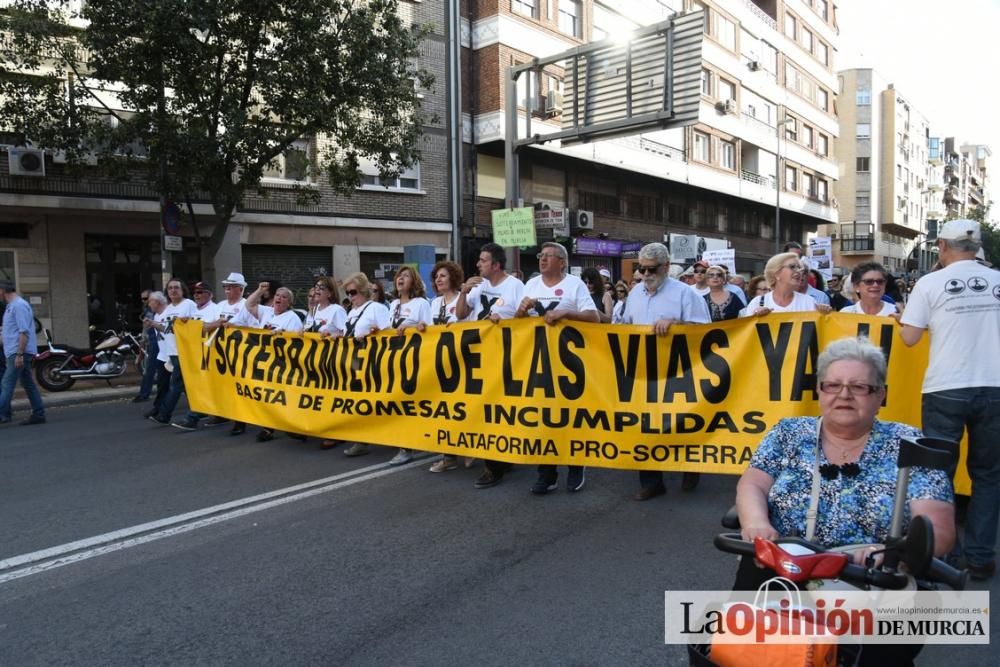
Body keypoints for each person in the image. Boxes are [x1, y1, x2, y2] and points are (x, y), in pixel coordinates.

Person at [734, 337, 954, 665]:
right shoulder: (788, 433)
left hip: (875, 582)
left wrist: (894, 552)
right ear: (820, 392)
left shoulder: (911, 444)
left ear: (881, 395)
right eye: (833, 385)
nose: (844, 394)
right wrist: (756, 524)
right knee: (744, 650)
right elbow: (752, 483)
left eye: (859, 386)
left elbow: (937, 527)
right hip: (786, 568)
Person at [898, 219, 1000, 580]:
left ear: (941, 246)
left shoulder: (929, 283)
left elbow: (910, 338)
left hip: (946, 387)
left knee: (938, 471)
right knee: (988, 474)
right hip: (995, 386)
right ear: (977, 247)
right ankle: (981, 556)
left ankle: (946, 553)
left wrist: (904, 319)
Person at [621, 243, 711, 499]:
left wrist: (676, 323)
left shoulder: (686, 294)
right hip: (644, 372)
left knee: (681, 422)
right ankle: (651, 481)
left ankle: (690, 465)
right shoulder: (635, 293)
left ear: (666, 267)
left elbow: (704, 332)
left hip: (678, 371)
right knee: (646, 425)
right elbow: (625, 326)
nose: (645, 275)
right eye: (641, 269)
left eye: (651, 269)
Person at [516, 242, 600, 494]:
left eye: (548, 256)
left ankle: (576, 466)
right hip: (538, 360)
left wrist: (565, 314)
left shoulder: (575, 285)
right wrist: (521, 311)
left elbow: (594, 317)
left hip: (570, 361)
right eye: (541, 256)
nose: (542, 260)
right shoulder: (531, 285)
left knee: (571, 416)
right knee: (542, 418)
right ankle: (547, 473)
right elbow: (518, 323)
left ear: (562, 262)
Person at [455, 243, 525, 488]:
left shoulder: (515, 286)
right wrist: (463, 291)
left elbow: (526, 321)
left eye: (483, 260)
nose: (478, 264)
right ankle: (497, 460)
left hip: (504, 357)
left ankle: (493, 466)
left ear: (495, 265)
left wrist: (504, 322)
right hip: (478, 355)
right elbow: (462, 314)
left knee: (498, 410)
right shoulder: (479, 285)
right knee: (483, 408)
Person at [420, 260, 471, 472]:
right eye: (436, 277)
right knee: (445, 410)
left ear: (453, 277)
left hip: (462, 360)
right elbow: (430, 329)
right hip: (441, 363)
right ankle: (449, 456)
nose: (438, 280)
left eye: (442, 276)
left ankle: (470, 448)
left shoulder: (463, 298)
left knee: (465, 407)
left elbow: (470, 324)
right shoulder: (434, 303)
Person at [242, 282, 306, 443]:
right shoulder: (267, 312)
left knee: (283, 398)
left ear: (289, 303)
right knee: (267, 397)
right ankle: (268, 427)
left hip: (281, 364)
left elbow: (297, 343)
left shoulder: (292, 318)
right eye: (277, 295)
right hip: (264, 362)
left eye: (284, 297)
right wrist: (260, 291)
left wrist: (282, 335)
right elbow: (249, 304)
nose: (279, 298)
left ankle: (293, 427)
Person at [338, 272, 391, 457]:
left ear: (363, 290)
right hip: (352, 363)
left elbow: (388, 335)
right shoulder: (351, 312)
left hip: (371, 362)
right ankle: (362, 438)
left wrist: (370, 336)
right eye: (347, 293)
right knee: (357, 402)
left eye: (353, 292)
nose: (350, 297)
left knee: (373, 402)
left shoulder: (377, 308)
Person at [385, 266, 433, 466]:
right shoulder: (393, 304)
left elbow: (430, 330)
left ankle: (407, 446)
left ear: (414, 282)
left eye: (405, 276)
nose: (400, 279)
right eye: (398, 276)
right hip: (393, 359)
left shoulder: (421, 303)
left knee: (411, 403)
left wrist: (412, 327)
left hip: (413, 359)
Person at [170, 281, 222, 431]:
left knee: (203, 387)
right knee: (202, 387)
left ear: (210, 294)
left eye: (200, 292)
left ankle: (191, 418)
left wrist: (202, 327)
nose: (196, 295)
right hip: (194, 354)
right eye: (194, 293)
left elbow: (219, 325)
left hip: (209, 354)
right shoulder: (194, 311)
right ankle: (216, 414)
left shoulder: (215, 309)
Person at [147, 278, 198, 426]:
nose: (173, 290)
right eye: (170, 288)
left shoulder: (189, 304)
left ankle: (164, 414)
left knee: (176, 384)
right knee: (186, 385)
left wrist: (187, 322)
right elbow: (167, 329)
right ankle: (199, 410)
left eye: (176, 287)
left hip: (185, 351)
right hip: (172, 352)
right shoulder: (168, 309)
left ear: (182, 290)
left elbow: (196, 324)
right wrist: (154, 325)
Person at [0, 280, 46, 425]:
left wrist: (19, 354)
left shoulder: (18, 306)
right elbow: (10, 332)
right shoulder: (11, 306)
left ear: (2, 290)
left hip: (18, 352)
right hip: (14, 351)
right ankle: (39, 414)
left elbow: (23, 331)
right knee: (28, 383)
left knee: (7, 384)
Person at [740, 253, 833, 317]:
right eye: (792, 267)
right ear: (776, 273)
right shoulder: (757, 303)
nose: (799, 272)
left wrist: (824, 315)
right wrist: (755, 318)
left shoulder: (809, 302)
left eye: (799, 268)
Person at [133, 290, 158, 403]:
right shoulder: (147, 311)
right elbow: (145, 331)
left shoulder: (159, 309)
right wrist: (140, 353)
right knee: (149, 369)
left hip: (161, 342)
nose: (144, 301)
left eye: (146, 298)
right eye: (142, 299)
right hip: (153, 342)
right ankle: (143, 394)